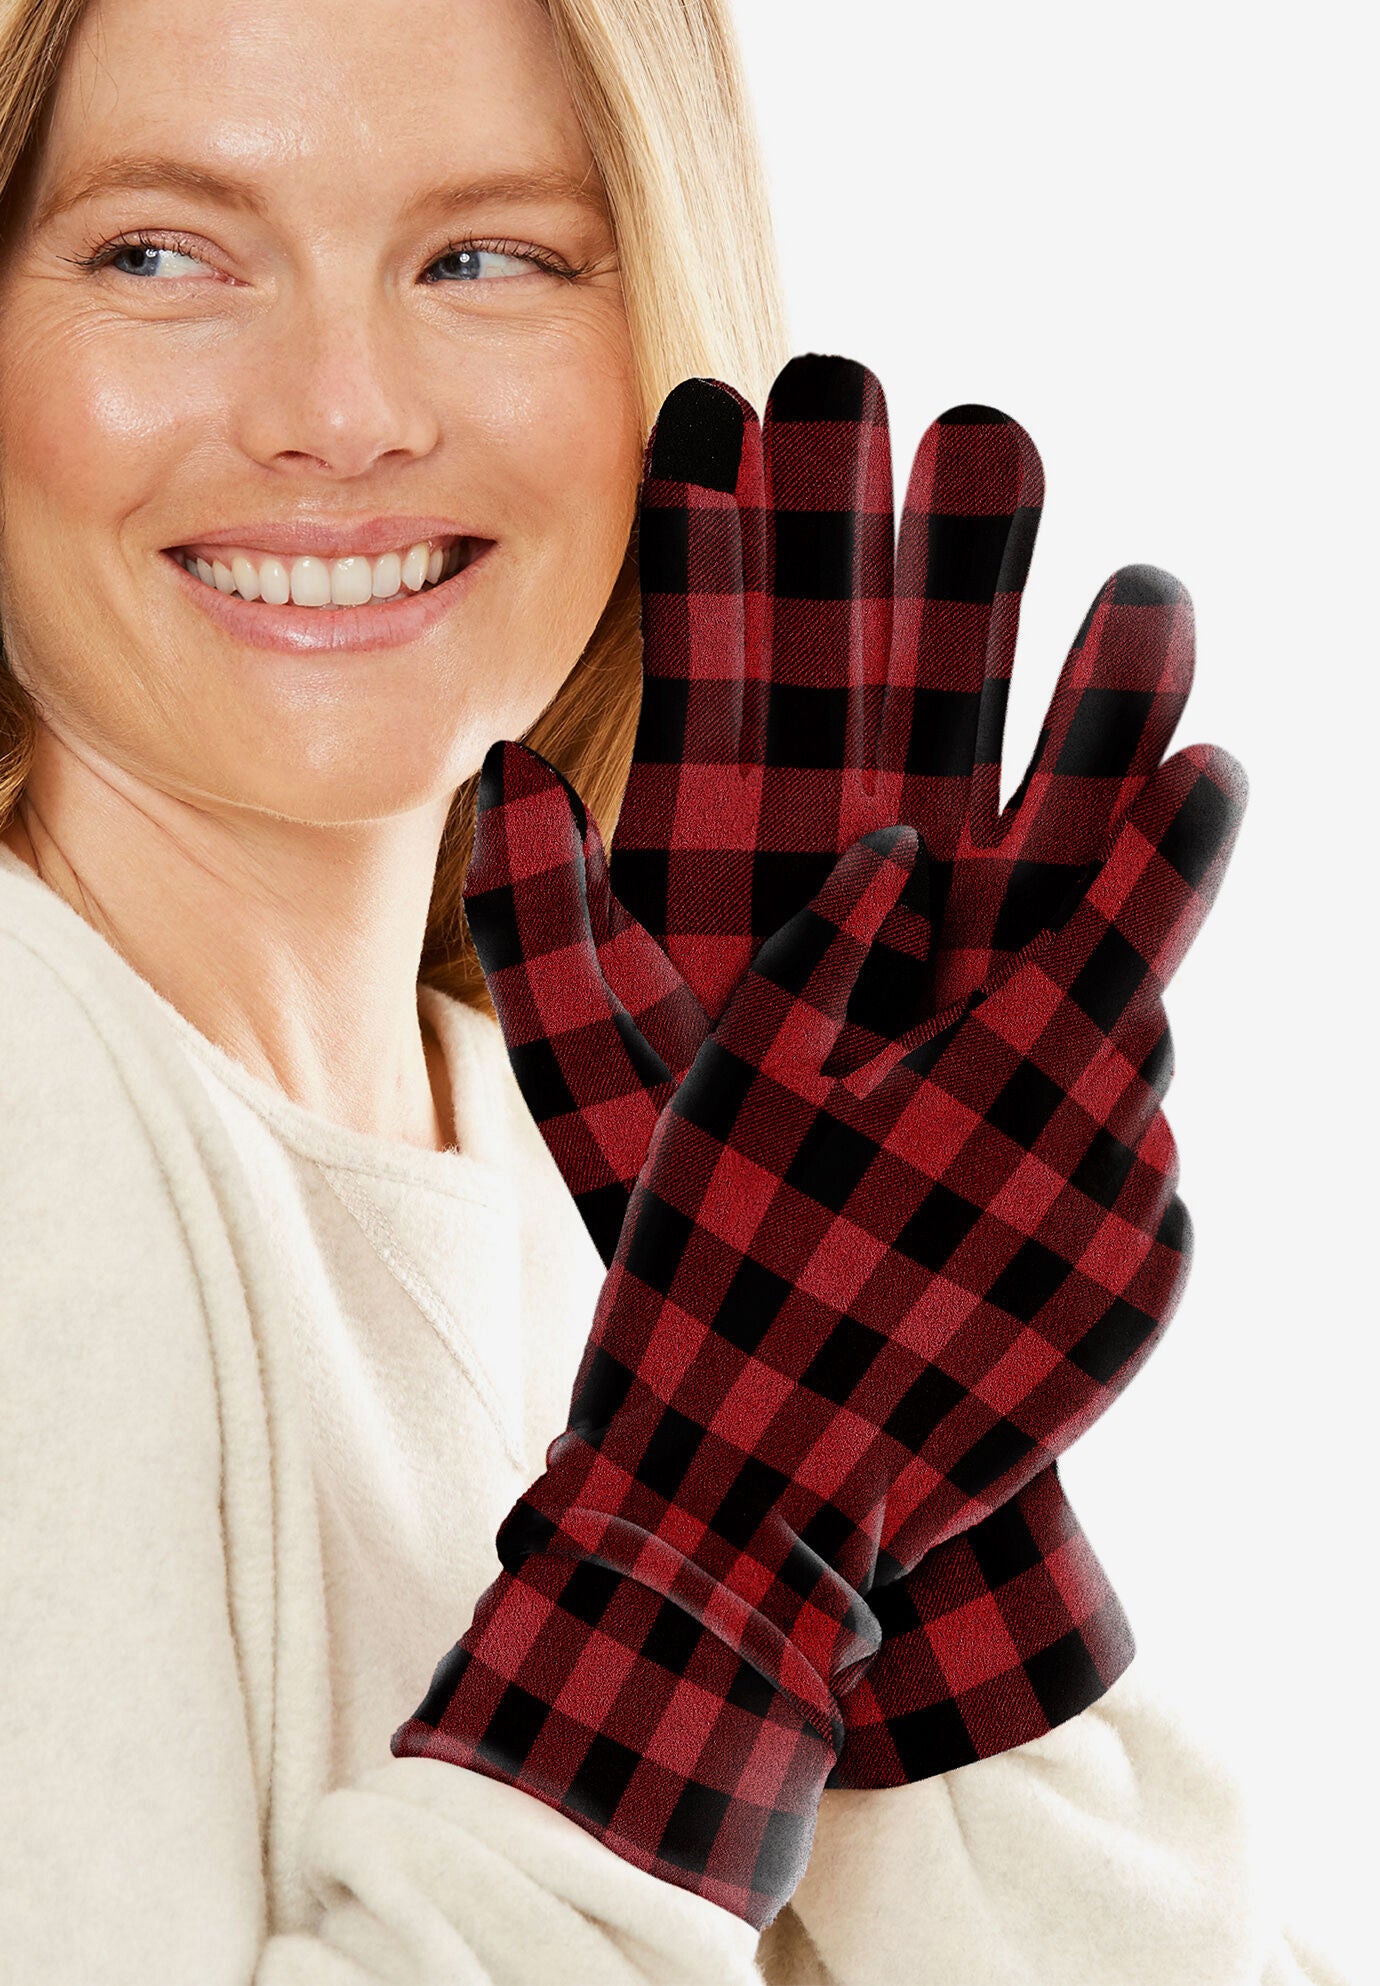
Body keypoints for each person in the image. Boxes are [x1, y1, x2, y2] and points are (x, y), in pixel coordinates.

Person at [0, 0, 1349, 1979]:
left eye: (488, 256)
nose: (341, 405)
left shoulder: (609, 1164)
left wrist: (911, 1505)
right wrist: (717, 1527)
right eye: (162, 251)